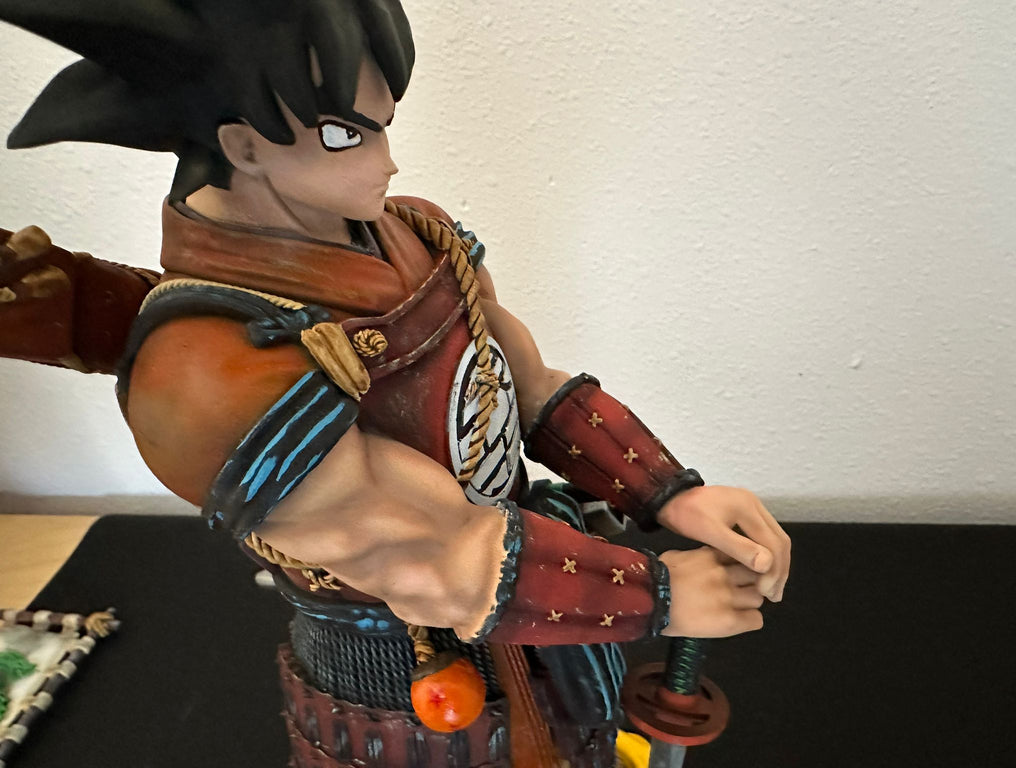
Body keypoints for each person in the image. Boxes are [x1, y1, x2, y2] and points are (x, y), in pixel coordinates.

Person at [0, 1, 790, 766]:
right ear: (242, 146)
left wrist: (665, 491)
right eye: (346, 134)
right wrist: (655, 593)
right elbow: (431, 556)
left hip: (538, 604)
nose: (387, 161)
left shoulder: (413, 232)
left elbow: (526, 387)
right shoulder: (207, 366)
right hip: (392, 674)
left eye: (382, 124)